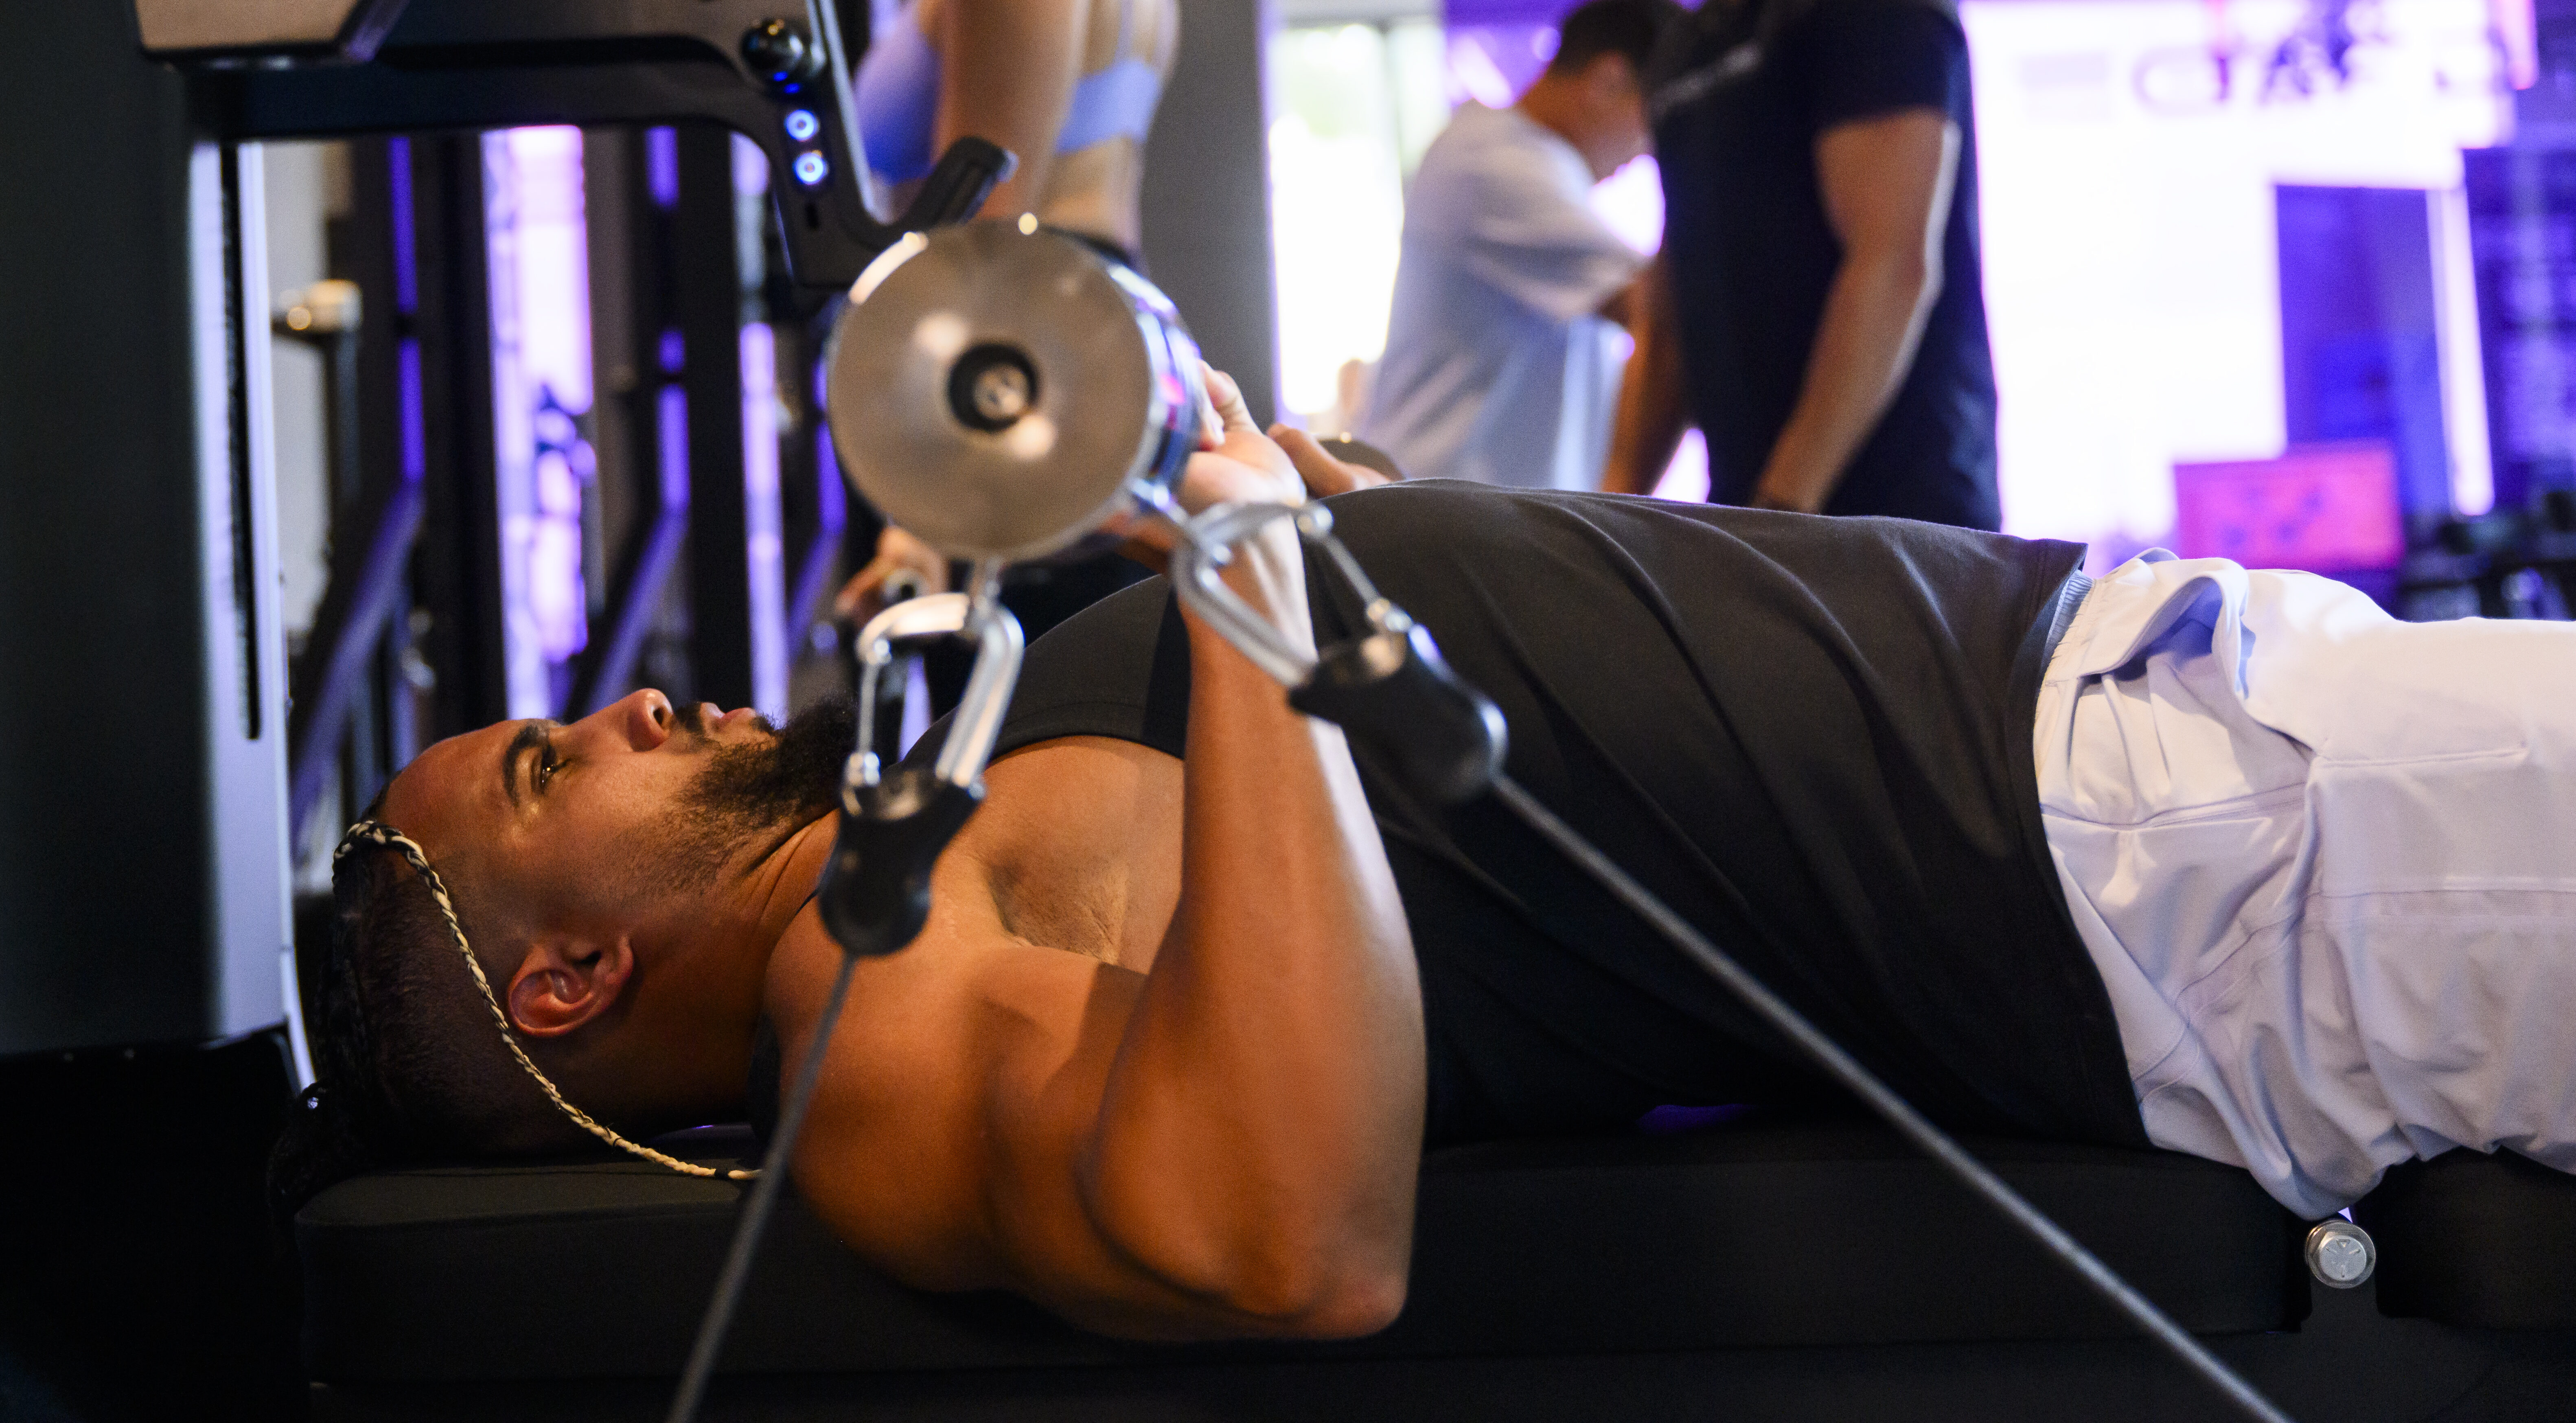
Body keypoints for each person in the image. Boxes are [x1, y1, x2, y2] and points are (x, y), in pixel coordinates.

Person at [281, 370, 2576, 1340]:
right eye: (545, 763)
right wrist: (1245, 580)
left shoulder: (951, 799)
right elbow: (1278, 1232)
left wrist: (1290, 502)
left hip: (2175, 746)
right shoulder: (853, 1006)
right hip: (2174, 862)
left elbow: (1404, 772)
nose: (631, 702)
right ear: (561, 979)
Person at [835, 0, 1179, 662]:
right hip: (1079, 329)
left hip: (1014, 350)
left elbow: (983, 239)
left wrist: (922, 516)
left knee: (1019, 699)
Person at [1601, 0, 2002, 527]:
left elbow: (1892, 266)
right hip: (1751, 513)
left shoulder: (1874, 13)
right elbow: (1676, 310)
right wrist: (1612, 514)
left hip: (1900, 521)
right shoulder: (1689, 46)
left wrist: (1780, 509)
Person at [1356, 0, 1676, 491]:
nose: (1648, 149)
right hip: (1438, 510)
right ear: (1608, 81)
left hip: (1466, 509)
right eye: (1656, 118)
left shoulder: (1537, 164)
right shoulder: (1491, 157)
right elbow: (1659, 308)